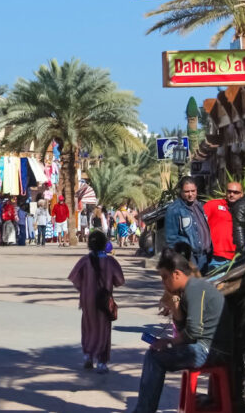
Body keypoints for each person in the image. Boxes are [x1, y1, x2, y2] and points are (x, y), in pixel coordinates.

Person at [129, 249, 228, 413]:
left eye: (164, 277)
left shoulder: (195, 288)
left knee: (155, 358)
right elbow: (187, 333)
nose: (163, 283)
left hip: (212, 350)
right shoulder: (188, 289)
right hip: (203, 346)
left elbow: (194, 332)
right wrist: (176, 310)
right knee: (154, 353)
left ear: (176, 274)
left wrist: (169, 342)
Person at [69, 230, 125, 374]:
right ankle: (101, 362)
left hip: (87, 300)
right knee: (103, 330)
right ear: (104, 244)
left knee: (88, 327)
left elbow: (75, 279)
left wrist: (85, 288)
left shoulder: (84, 261)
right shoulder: (110, 262)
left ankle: (87, 355)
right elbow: (120, 281)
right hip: (104, 301)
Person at [164, 177, 212, 271]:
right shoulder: (174, 209)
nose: (190, 194)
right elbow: (171, 239)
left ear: (196, 190)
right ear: (181, 192)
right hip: (189, 258)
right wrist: (183, 258)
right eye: (187, 192)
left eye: (193, 191)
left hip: (205, 256)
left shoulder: (200, 206)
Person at [203, 182, 240, 271]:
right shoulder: (213, 205)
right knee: (213, 284)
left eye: (236, 192)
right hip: (216, 258)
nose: (232, 194)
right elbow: (199, 223)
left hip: (237, 259)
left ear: (242, 194)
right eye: (229, 191)